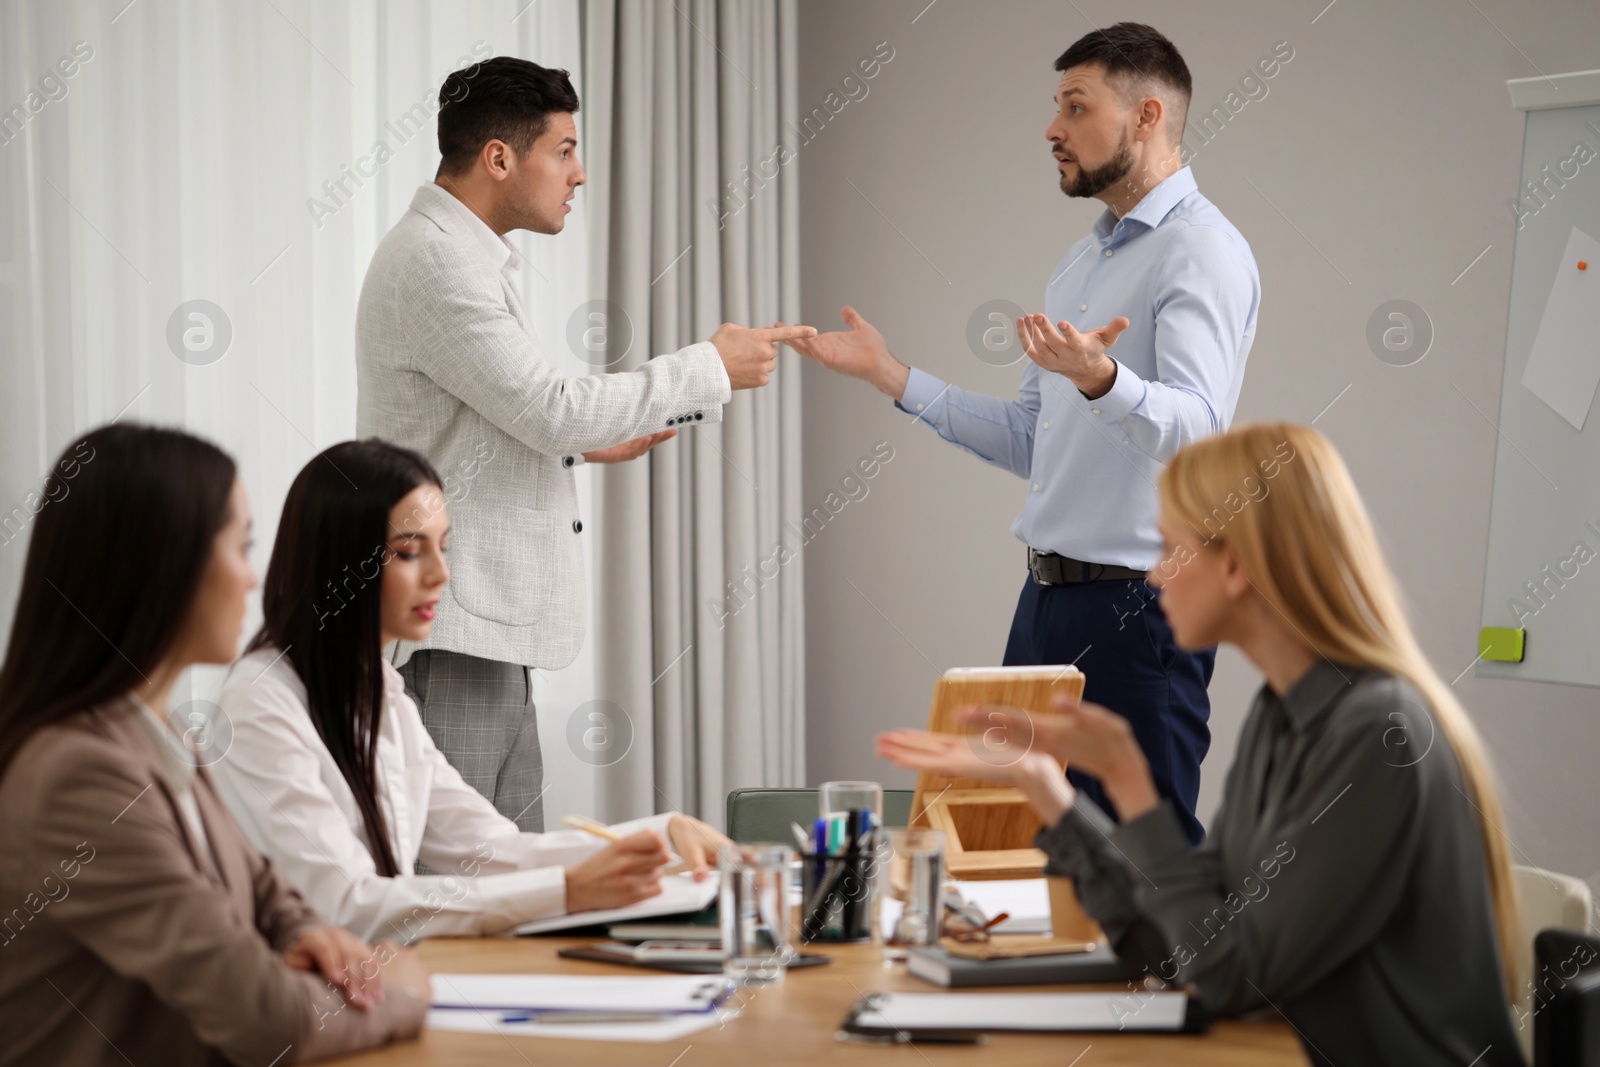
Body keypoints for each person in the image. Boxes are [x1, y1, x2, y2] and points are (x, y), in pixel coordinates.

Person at [878, 423, 1524, 1066]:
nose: (1154, 576)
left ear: (1236, 564)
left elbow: (1231, 976)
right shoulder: (1284, 712)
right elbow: (1181, 939)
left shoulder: (1377, 734)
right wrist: (1048, 790)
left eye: (1169, 548)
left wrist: (1130, 780)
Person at [793, 23, 1260, 844]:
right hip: (1044, 609)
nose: (1053, 128)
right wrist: (893, 376)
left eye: (1075, 108)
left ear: (1147, 115)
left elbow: (1204, 435)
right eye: (1056, 108)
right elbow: (1031, 438)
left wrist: (1104, 380)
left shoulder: (1203, 252)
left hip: (1140, 611)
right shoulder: (1080, 267)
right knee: (1013, 847)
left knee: (1141, 864)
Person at [356, 55, 815, 831]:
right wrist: (710, 365)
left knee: (511, 894)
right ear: (500, 158)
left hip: (485, 637)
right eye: (564, 149)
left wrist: (573, 446)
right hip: (456, 639)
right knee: (457, 904)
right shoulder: (435, 260)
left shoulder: (462, 254)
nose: (580, 173)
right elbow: (551, 407)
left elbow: (498, 418)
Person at [0, 423, 429, 1067]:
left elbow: (263, 888)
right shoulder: (78, 775)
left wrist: (310, 934)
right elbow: (270, 1018)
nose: (253, 581)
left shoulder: (154, 730)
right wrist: (401, 993)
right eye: (240, 546)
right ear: (162, 566)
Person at [212, 440, 730, 943]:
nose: (442, 574)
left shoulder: (381, 694)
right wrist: (567, 891)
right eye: (410, 552)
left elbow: (491, 849)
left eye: (444, 546)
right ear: (342, 561)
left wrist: (660, 840)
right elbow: (346, 905)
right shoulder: (260, 703)